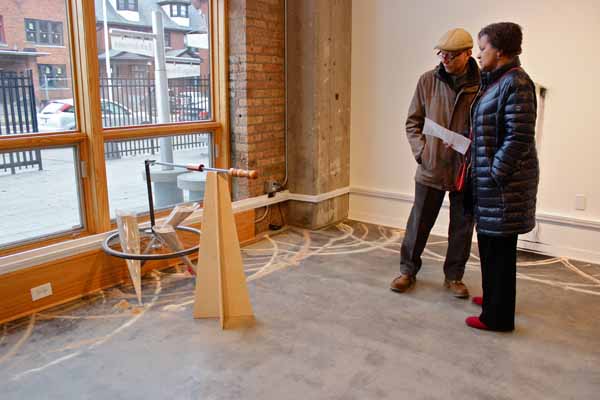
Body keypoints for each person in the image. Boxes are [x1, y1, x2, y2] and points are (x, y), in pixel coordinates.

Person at [390, 28, 480, 298]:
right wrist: (422, 152)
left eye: (451, 55)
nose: (445, 59)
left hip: (466, 168)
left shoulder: (482, 84)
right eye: (441, 54)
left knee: (462, 227)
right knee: (418, 223)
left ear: (468, 54)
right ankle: (408, 270)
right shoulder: (427, 81)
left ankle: (454, 277)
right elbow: (413, 122)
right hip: (432, 165)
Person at [466, 22, 539, 331]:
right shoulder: (497, 81)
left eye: (483, 49)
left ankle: (497, 318)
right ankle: (495, 297)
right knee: (491, 245)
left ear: (500, 50)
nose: (479, 55)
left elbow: (519, 136)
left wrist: (495, 173)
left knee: (500, 249)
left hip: (503, 185)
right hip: (492, 183)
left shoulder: (517, 83)